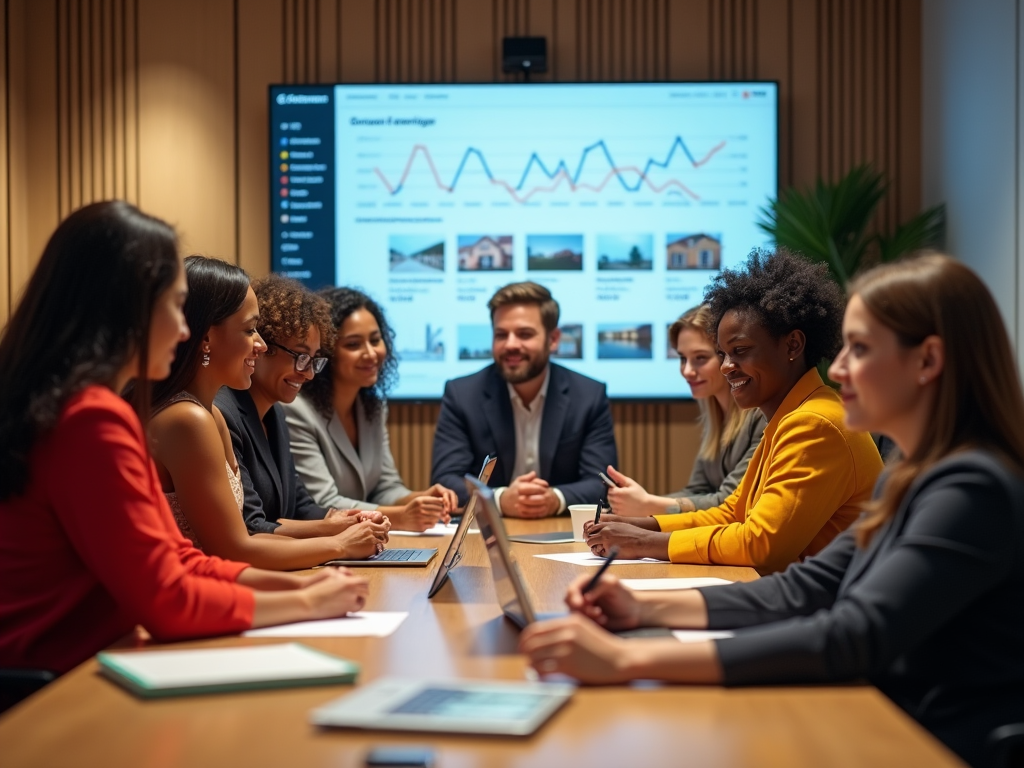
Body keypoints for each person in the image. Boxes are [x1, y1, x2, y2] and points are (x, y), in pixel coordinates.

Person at [519, 253, 1024, 768]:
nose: (841, 366)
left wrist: (629, 659)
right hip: (882, 712)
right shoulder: (910, 474)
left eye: (861, 348)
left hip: (927, 741)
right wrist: (642, 609)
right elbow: (809, 586)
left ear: (928, 361)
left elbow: (854, 632)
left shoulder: (971, 487)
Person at [0, 202, 369, 675]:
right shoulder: (89, 419)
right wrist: (310, 604)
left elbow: (180, 558)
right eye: (175, 306)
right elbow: (166, 600)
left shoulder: (89, 409)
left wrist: (301, 590)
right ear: (124, 310)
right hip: (53, 683)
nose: (183, 330)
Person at [586, 250, 882, 573]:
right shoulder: (793, 414)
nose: (727, 367)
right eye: (723, 354)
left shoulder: (814, 423)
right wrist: (643, 525)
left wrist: (641, 543)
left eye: (739, 352)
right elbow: (732, 513)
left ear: (793, 346)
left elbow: (760, 544)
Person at [149, 257, 388, 567]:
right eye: (250, 330)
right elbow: (237, 548)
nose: (259, 344)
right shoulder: (189, 419)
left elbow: (250, 537)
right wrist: (338, 545)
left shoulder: (213, 416)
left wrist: (340, 532)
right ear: (206, 337)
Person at [214, 274, 390, 551]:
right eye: (300, 356)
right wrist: (337, 537)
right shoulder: (224, 412)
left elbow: (301, 506)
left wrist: (349, 520)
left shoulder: (276, 414)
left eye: (315, 360)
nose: (308, 373)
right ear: (263, 347)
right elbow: (251, 526)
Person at [431, 281, 618, 516]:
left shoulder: (589, 395)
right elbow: (445, 480)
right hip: (487, 535)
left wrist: (555, 499)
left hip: (563, 533)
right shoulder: (462, 394)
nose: (510, 344)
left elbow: (602, 483)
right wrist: (498, 499)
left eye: (524, 334)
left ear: (553, 339)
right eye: (501, 334)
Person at [285, 287, 458, 532]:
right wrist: (400, 517)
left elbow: (386, 487)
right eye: (354, 344)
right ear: (325, 353)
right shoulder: (296, 409)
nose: (371, 353)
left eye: (376, 340)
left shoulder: (373, 406)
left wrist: (421, 500)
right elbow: (322, 503)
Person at [604, 305, 765, 516]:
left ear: (727, 358)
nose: (687, 371)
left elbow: (730, 502)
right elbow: (696, 491)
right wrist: (636, 506)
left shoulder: (762, 416)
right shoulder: (715, 418)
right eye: (682, 358)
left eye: (700, 358)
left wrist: (648, 505)